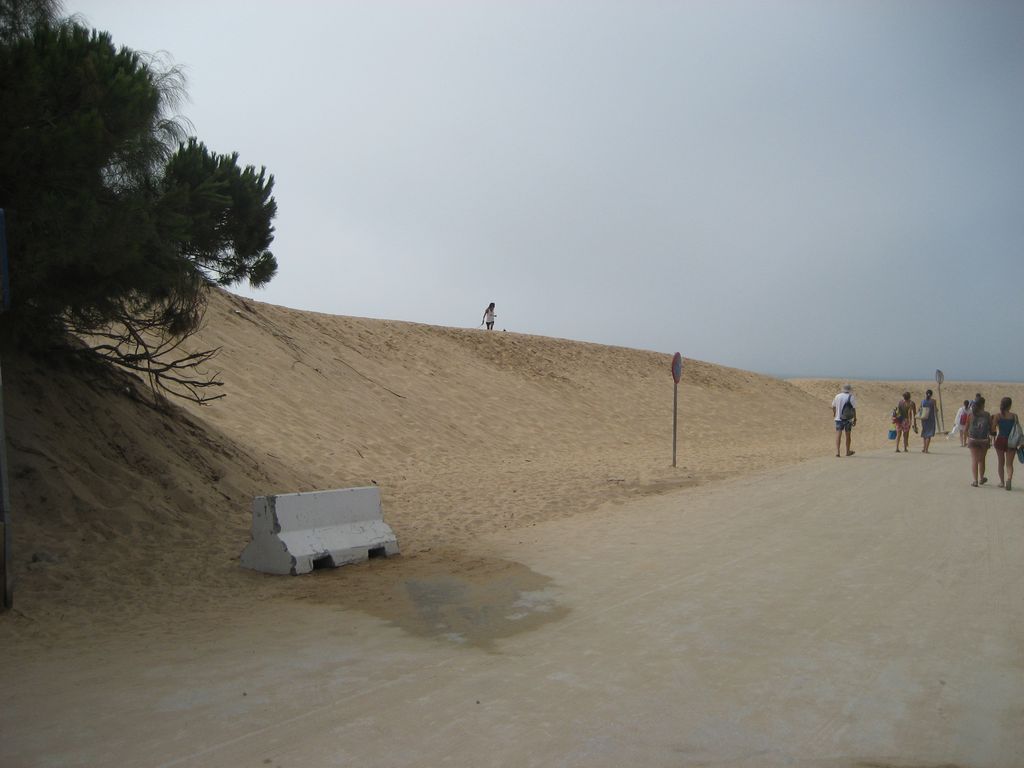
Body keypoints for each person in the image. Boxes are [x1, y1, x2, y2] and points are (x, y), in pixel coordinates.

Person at [966, 395, 994, 487]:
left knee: (974, 459)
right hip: (983, 440)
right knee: (982, 460)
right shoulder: (987, 414)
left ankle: (975, 480)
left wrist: (968, 437)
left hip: (973, 439)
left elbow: (966, 428)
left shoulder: (970, 415)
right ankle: (981, 478)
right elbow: (991, 428)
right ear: (983, 405)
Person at [993, 397, 1019, 491]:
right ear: (1010, 405)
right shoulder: (1014, 416)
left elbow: (993, 429)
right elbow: (1017, 430)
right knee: (1009, 464)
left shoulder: (998, 416)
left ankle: (1002, 482)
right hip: (1011, 441)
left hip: (1000, 439)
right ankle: (1009, 479)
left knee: (1001, 462)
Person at [831, 383, 857, 457]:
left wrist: (834, 413)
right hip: (848, 419)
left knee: (838, 434)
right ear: (849, 390)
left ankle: (837, 452)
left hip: (838, 418)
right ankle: (847, 451)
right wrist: (855, 419)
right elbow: (854, 409)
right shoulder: (851, 397)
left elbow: (833, 406)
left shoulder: (837, 396)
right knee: (848, 435)